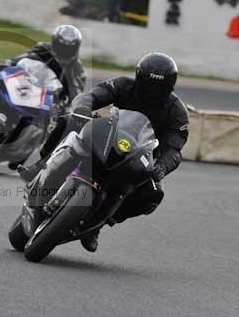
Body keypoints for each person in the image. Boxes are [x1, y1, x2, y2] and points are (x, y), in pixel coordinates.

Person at [22, 52, 189, 252]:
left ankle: (102, 222)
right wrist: (83, 109)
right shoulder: (123, 85)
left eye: (158, 87)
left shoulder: (177, 111)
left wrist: (161, 167)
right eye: (148, 84)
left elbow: (174, 149)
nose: (152, 91)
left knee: (152, 195)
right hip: (107, 135)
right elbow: (92, 96)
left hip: (140, 157)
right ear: (139, 77)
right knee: (66, 120)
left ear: (169, 87)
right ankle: (41, 166)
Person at [6, 25, 87, 106]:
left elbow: (77, 95)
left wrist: (72, 108)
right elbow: (22, 59)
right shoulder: (42, 48)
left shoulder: (78, 69)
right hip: (26, 87)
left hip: (51, 103)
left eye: (69, 49)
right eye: (62, 47)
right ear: (55, 43)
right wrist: (8, 65)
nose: (64, 52)